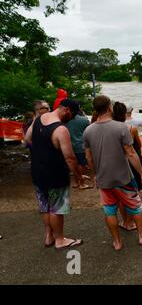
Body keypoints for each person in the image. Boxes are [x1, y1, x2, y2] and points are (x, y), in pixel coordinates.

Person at [83, 95, 142, 251]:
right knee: (136, 206)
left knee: (109, 211)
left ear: (95, 110)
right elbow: (131, 153)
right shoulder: (121, 128)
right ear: (109, 108)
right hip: (124, 178)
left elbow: (89, 157)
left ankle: (117, 242)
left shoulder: (88, 130)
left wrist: (95, 175)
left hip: (103, 179)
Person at [24, 99, 83, 249]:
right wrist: (79, 177)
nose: (72, 118)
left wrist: (41, 150)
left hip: (37, 171)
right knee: (56, 208)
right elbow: (70, 158)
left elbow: (27, 138)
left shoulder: (39, 119)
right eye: (73, 114)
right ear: (67, 110)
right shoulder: (61, 129)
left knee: (45, 206)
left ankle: (49, 236)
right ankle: (60, 240)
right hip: (55, 174)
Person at [113, 101, 142, 232]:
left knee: (121, 195)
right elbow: (137, 147)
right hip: (132, 164)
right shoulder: (131, 129)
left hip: (118, 164)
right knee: (134, 193)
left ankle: (126, 221)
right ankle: (134, 224)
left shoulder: (110, 128)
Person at [66, 102, 92, 189]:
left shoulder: (65, 120)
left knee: (73, 163)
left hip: (68, 145)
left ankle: (76, 182)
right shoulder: (84, 120)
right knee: (81, 164)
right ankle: (82, 183)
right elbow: (88, 133)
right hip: (80, 145)